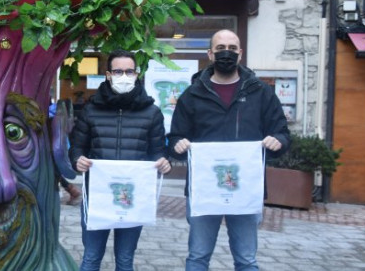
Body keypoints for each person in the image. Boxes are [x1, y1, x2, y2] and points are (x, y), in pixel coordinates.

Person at [167, 29, 290, 271]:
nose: (227, 53)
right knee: (198, 256)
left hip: (245, 189)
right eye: (221, 48)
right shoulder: (192, 95)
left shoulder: (261, 92)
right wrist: (178, 145)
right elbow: (175, 138)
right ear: (210, 54)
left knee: (246, 260)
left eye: (232, 48)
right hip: (203, 190)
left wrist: (278, 141)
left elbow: (282, 133)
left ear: (240, 53)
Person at [69, 49, 172, 271]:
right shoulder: (91, 110)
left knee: (125, 260)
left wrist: (164, 161)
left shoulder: (152, 112)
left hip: (133, 198)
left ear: (136, 74)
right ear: (108, 74)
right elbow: (77, 147)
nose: (124, 76)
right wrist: (77, 160)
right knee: (91, 257)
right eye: (118, 71)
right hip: (96, 197)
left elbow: (158, 151)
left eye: (129, 71)